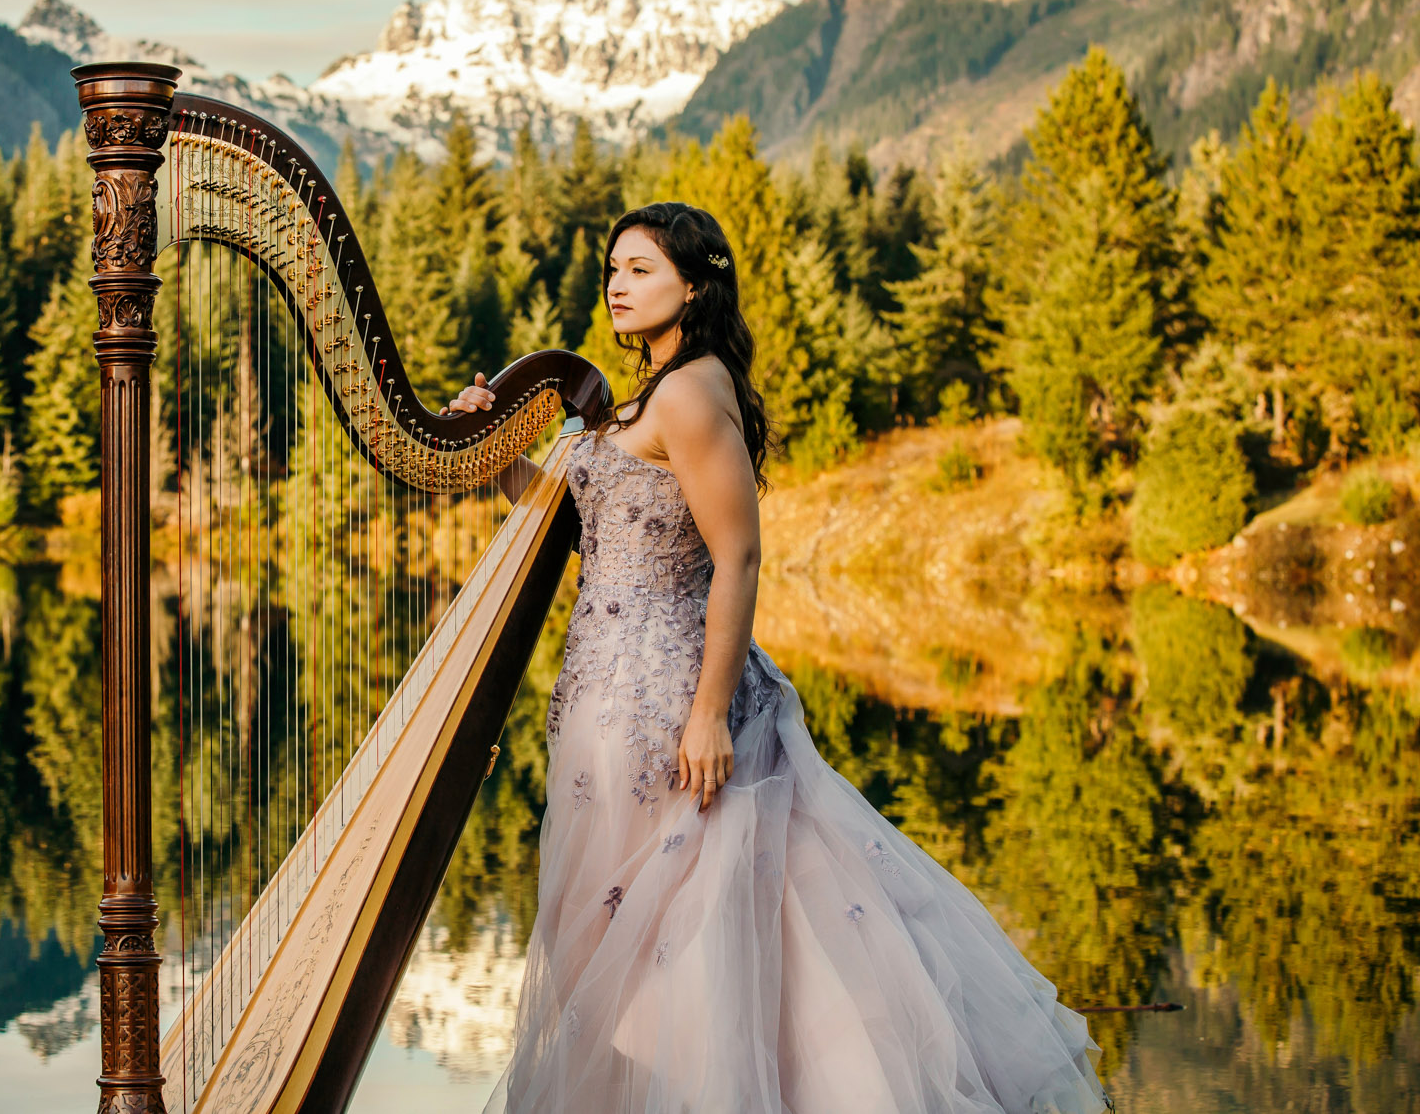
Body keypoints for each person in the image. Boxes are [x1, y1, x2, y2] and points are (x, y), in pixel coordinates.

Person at [446, 203, 1110, 1113]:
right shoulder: (645, 396)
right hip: (600, 690)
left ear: (694, 282)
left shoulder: (688, 392)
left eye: (640, 268)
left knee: (688, 943)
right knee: (608, 939)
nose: (617, 283)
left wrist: (710, 712)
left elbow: (739, 557)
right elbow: (580, 526)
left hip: (670, 699)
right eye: (613, 267)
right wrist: (484, 448)